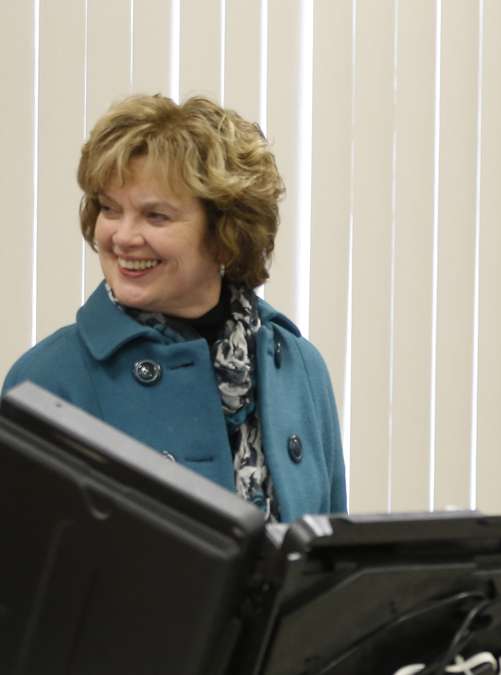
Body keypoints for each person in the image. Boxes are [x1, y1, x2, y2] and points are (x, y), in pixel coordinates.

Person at [3, 94, 346, 522]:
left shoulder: (301, 369)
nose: (122, 237)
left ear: (226, 231)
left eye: (156, 216)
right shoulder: (47, 380)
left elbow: (325, 569)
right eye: (110, 209)